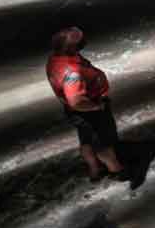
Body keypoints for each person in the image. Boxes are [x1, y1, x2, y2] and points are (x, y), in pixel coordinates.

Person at [46, 28, 125, 183]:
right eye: (79, 41)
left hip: (76, 113)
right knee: (103, 145)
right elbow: (76, 101)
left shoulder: (55, 58)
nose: (83, 41)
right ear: (70, 47)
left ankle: (94, 170)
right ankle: (117, 170)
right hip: (89, 110)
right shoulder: (72, 73)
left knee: (86, 140)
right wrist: (97, 107)